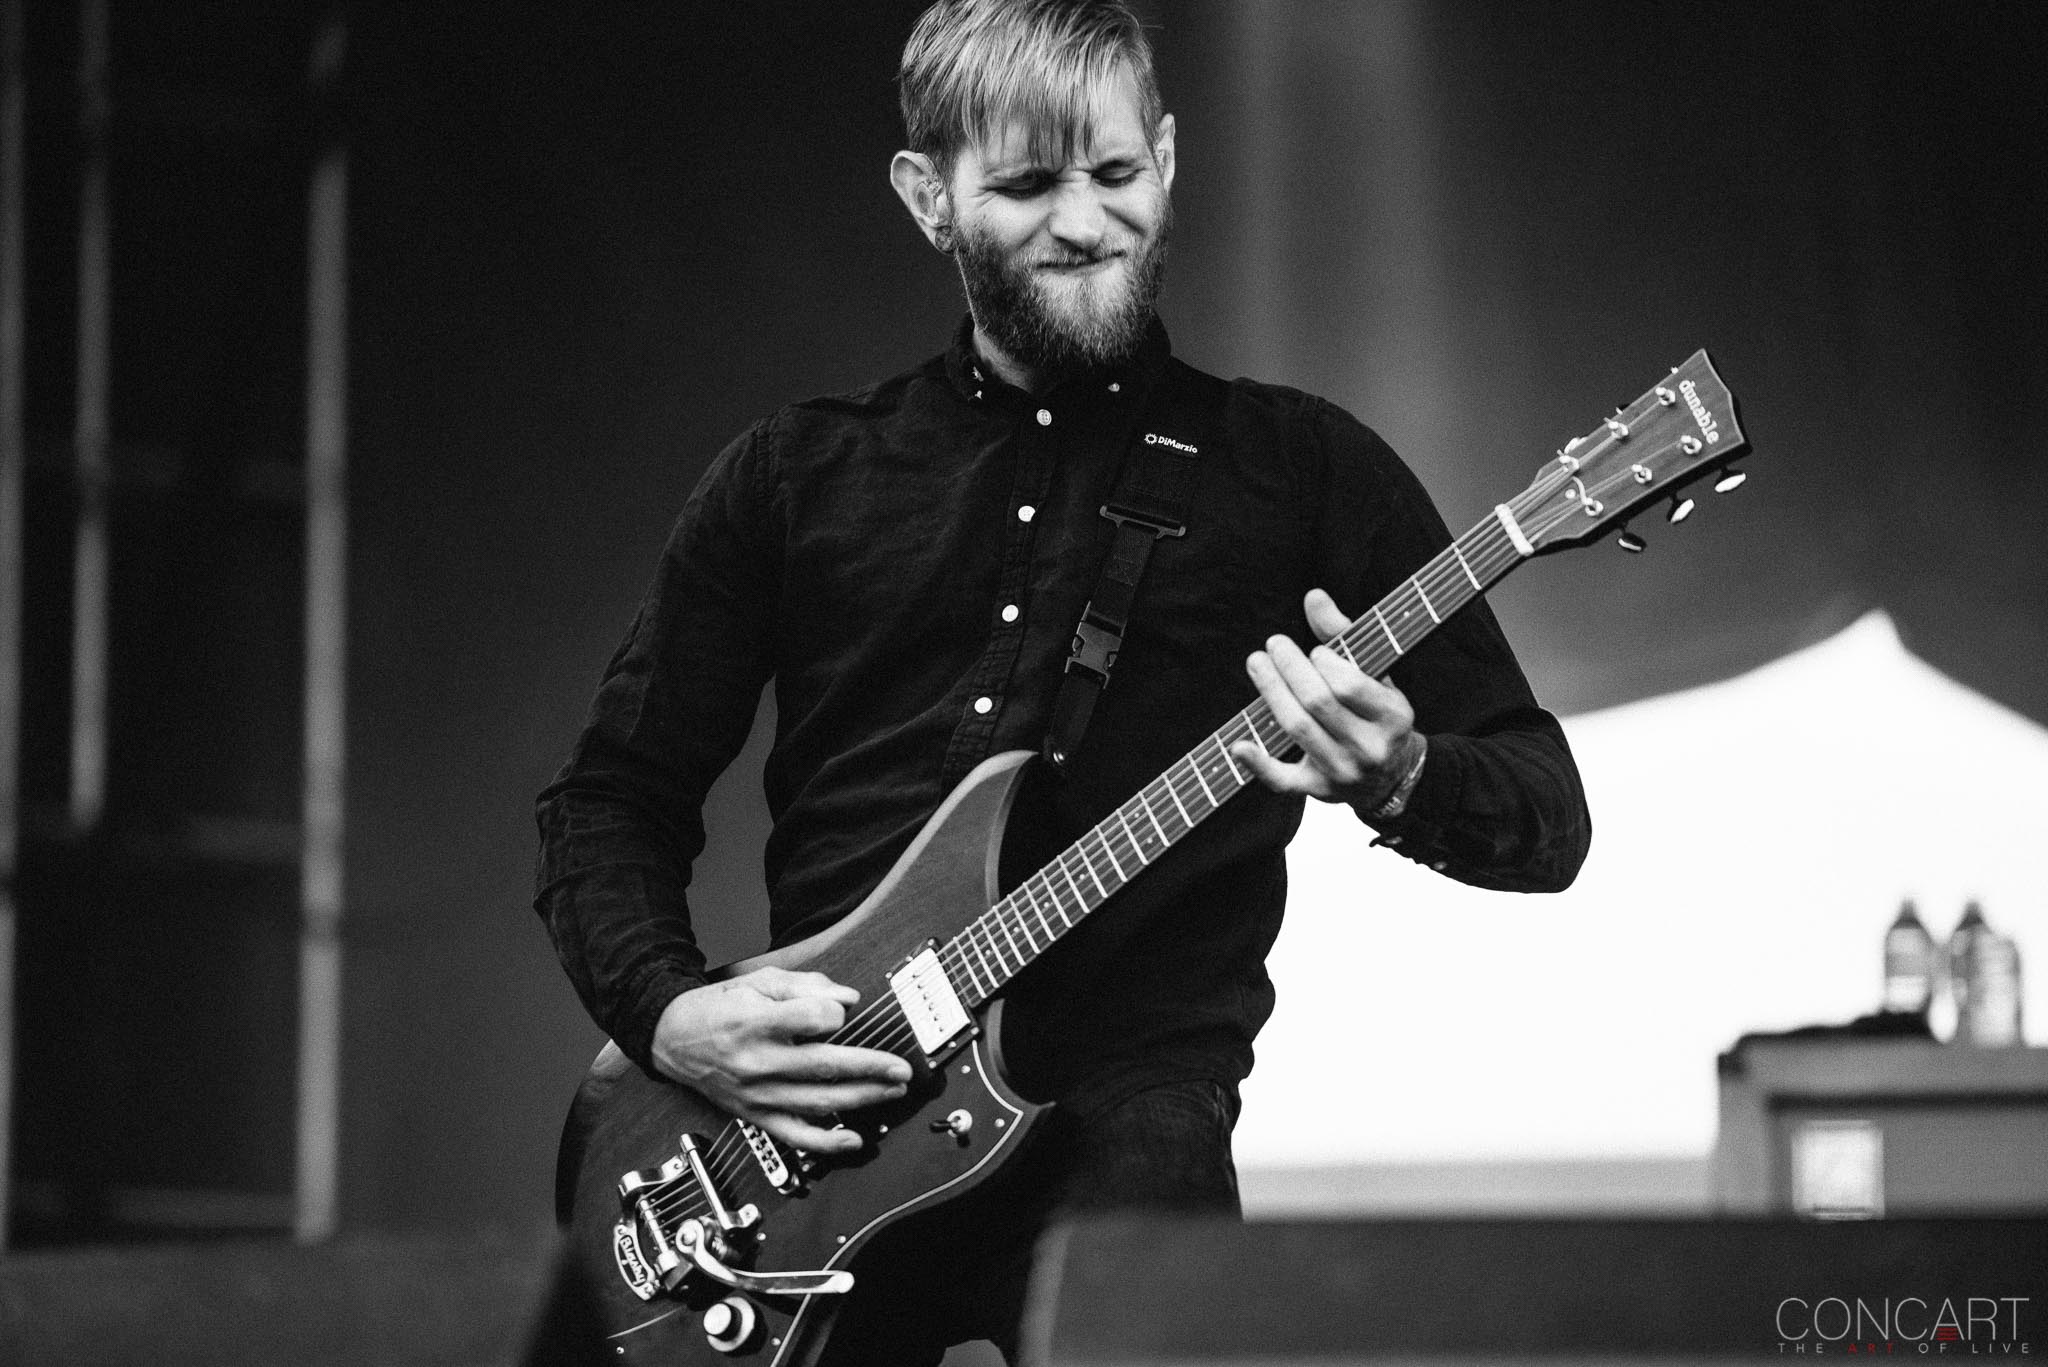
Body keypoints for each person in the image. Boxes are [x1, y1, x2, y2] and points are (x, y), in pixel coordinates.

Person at [534, 1, 1590, 1360]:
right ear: (928, 196)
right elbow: (610, 800)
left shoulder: (1302, 468)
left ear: (1169, 159)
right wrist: (673, 1013)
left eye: (1116, 171)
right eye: (1029, 185)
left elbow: (1547, 815)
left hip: (1133, 1119)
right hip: (810, 1133)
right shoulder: (798, 475)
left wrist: (1403, 775)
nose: (1085, 222)